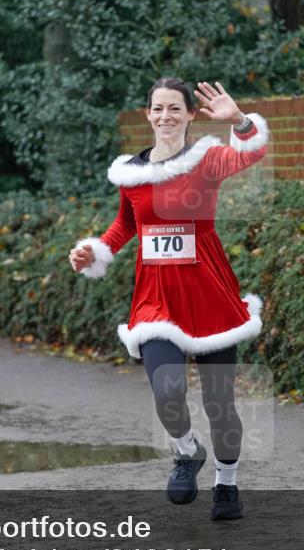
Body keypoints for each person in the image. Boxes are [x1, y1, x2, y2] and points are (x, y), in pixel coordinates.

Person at [69, 79, 268, 520]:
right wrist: (94, 251)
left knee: (220, 404)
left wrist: (238, 120)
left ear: (190, 114)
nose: (165, 116)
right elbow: (126, 225)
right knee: (167, 390)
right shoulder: (131, 173)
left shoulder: (207, 159)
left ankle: (227, 484)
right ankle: (186, 450)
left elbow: (250, 153)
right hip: (155, 302)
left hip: (210, 297)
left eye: (175, 108)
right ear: (148, 114)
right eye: (158, 108)